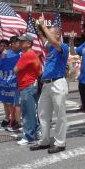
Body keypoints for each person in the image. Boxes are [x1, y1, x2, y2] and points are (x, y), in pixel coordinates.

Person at [30, 16, 70, 154]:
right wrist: (39, 26)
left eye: (50, 32)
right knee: (42, 113)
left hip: (58, 82)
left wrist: (44, 26)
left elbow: (52, 41)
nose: (48, 36)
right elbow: (42, 37)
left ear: (58, 34)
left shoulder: (62, 47)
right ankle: (45, 140)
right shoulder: (50, 48)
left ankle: (60, 142)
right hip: (47, 84)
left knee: (60, 114)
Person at [13, 35, 41, 145]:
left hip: (27, 86)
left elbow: (15, 69)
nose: (19, 43)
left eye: (22, 41)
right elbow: (38, 72)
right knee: (31, 112)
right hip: (31, 85)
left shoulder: (27, 55)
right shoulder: (32, 54)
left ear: (29, 43)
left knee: (27, 113)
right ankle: (36, 132)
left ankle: (29, 136)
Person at [2, 36, 22, 132]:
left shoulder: (22, 53)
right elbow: (1, 65)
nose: (19, 44)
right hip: (8, 81)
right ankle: (10, 119)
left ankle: (16, 121)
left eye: (20, 42)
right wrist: (4, 56)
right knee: (8, 102)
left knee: (16, 103)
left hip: (18, 81)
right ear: (12, 44)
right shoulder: (7, 53)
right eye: (17, 42)